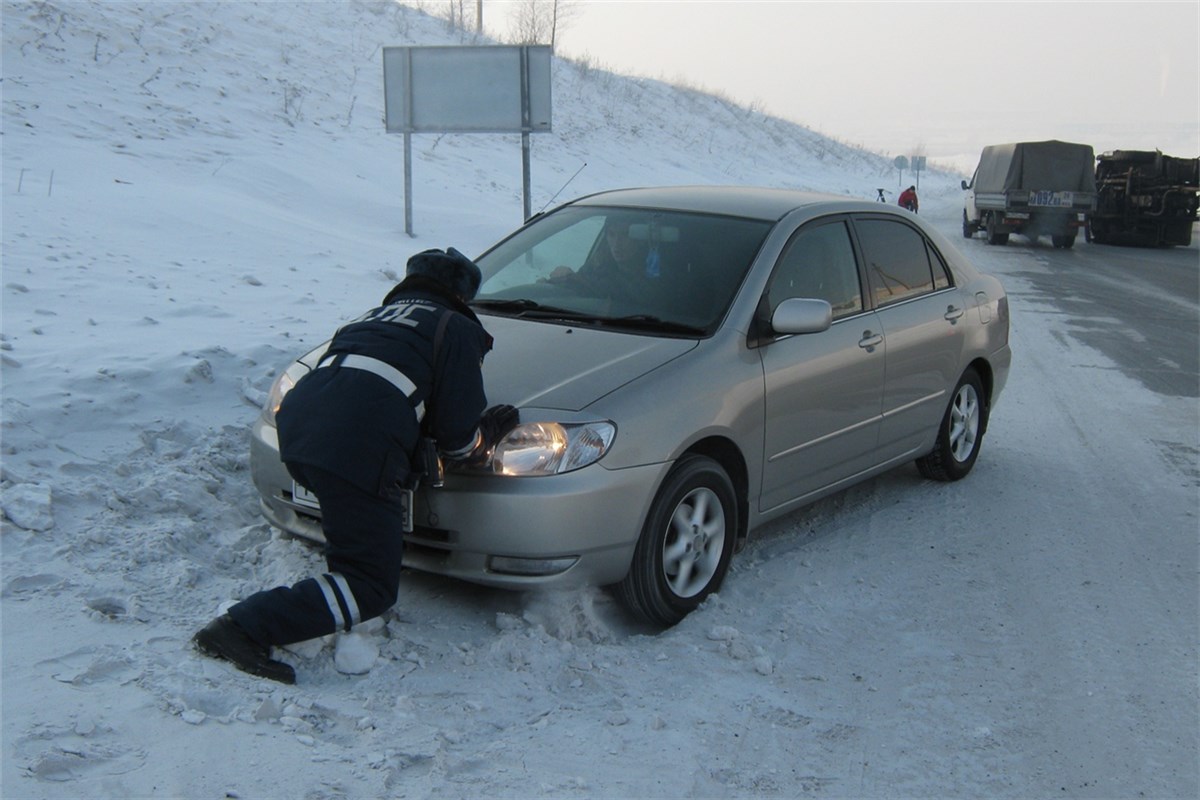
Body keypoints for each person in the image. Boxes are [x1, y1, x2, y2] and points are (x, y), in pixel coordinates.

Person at [194, 247, 518, 683]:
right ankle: (244, 627)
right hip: (357, 445)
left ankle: (338, 566)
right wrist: (486, 436)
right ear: (461, 296)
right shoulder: (455, 327)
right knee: (370, 587)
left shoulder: (370, 318)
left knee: (355, 524)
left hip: (300, 429)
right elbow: (458, 439)